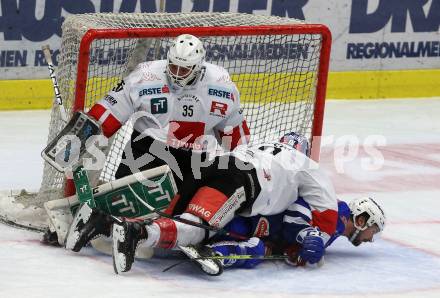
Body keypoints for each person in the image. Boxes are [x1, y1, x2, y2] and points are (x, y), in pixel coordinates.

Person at [62, 34, 250, 249]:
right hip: (147, 149)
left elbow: (236, 136)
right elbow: (109, 111)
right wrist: (80, 138)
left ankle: (150, 232)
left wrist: (244, 167)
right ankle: (98, 224)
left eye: (184, 69)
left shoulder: (221, 85)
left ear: (199, 67)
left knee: (181, 216)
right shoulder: (146, 74)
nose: (177, 73)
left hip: (194, 159)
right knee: (126, 204)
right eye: (173, 66)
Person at [102, 131, 341, 273]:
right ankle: (138, 233)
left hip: (211, 165)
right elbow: (328, 211)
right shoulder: (305, 163)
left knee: (170, 215)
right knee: (194, 229)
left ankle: (107, 224)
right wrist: (315, 239)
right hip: (241, 180)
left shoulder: (260, 144)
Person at [207, 196, 386, 269]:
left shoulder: (337, 229)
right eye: (374, 230)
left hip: (267, 229)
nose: (371, 239)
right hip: (261, 218)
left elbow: (295, 248)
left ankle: (215, 253)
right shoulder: (338, 212)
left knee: (257, 250)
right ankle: (210, 247)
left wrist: (291, 251)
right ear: (362, 221)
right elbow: (299, 202)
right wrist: (305, 235)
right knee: (241, 235)